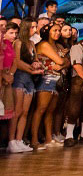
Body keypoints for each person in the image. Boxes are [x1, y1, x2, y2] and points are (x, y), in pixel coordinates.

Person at [30, 24, 68, 149]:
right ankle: (34, 140)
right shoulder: (44, 44)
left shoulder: (57, 46)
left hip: (57, 80)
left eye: (59, 30)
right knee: (41, 109)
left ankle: (48, 138)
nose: (58, 33)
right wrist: (63, 62)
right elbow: (61, 60)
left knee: (50, 111)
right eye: (54, 30)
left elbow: (67, 62)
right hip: (46, 79)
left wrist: (62, 64)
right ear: (47, 32)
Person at [8, 18, 40, 152]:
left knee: (25, 112)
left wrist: (36, 64)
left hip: (29, 79)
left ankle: (19, 139)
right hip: (19, 77)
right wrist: (32, 70)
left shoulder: (32, 43)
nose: (35, 29)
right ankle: (11, 141)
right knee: (17, 111)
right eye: (32, 27)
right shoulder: (18, 42)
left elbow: (35, 58)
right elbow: (17, 61)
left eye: (36, 27)